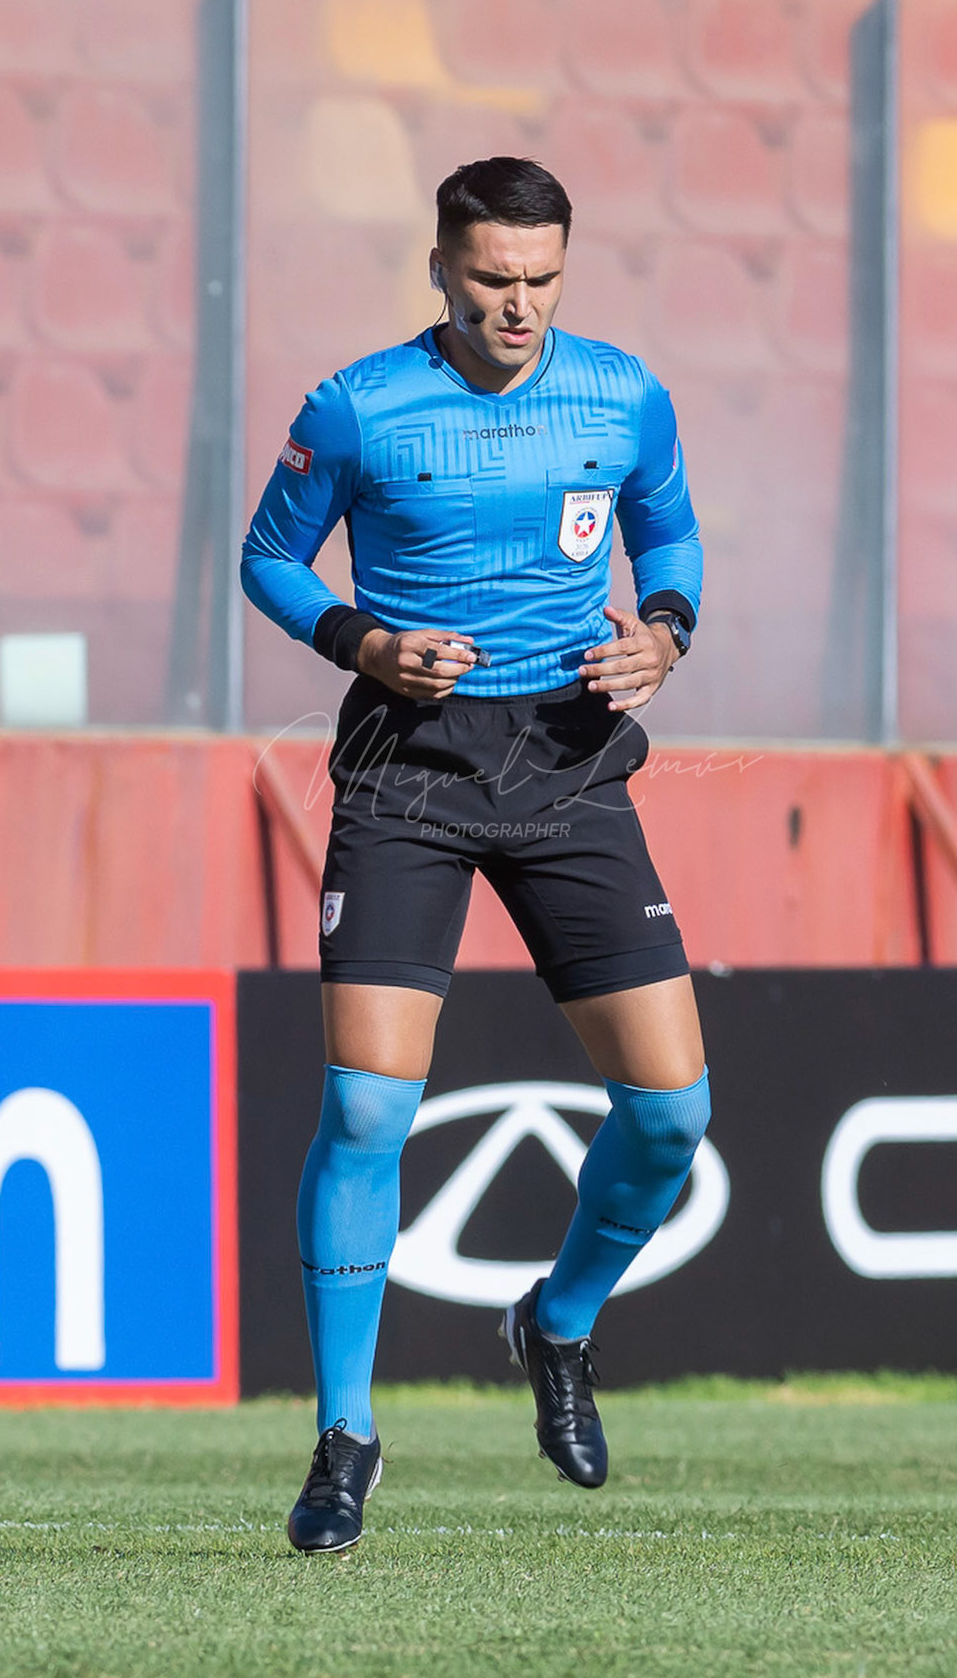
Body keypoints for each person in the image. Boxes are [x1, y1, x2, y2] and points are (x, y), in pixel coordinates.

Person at [241, 157, 709, 1556]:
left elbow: (668, 530)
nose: (520, 306)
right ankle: (345, 1437)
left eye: (542, 280)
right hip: (410, 771)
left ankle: (554, 1322)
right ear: (440, 269)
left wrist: (665, 632)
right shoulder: (360, 407)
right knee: (370, 1113)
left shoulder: (622, 394)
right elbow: (271, 559)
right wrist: (361, 642)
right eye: (494, 279)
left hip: (567, 764)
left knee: (675, 1117)